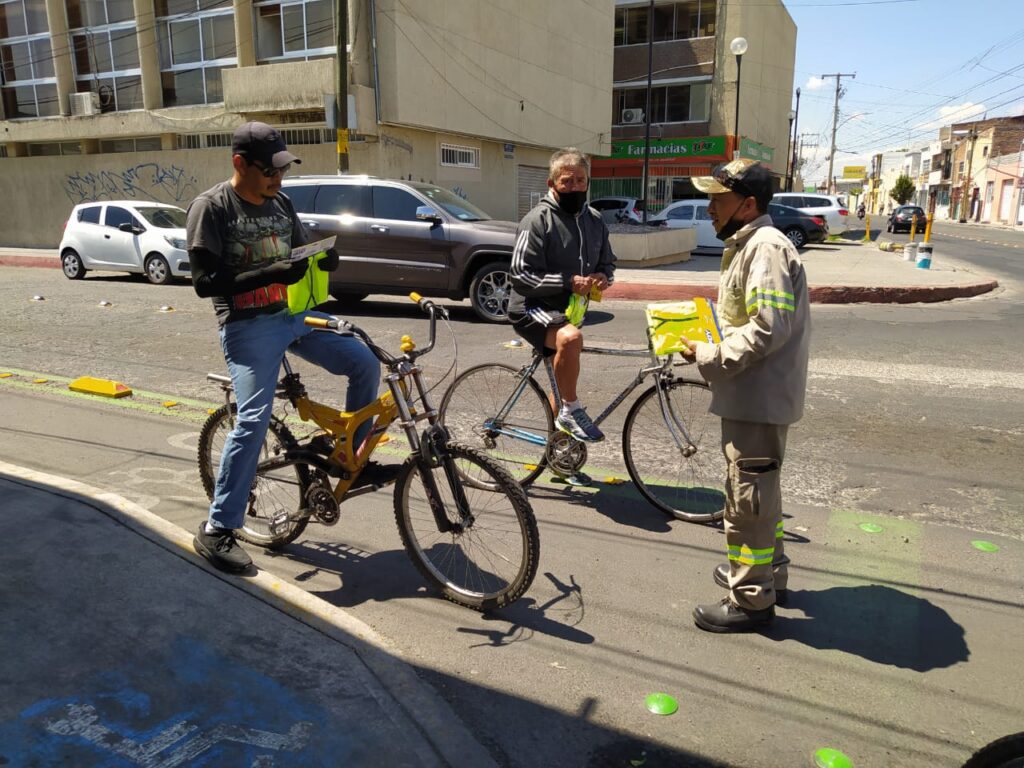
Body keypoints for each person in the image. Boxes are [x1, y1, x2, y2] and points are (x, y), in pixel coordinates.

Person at [187, 121, 389, 573]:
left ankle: (350, 458)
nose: (278, 178)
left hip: (295, 315)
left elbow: (298, 252)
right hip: (247, 325)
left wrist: (323, 257)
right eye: (270, 170)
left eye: (282, 169)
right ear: (240, 164)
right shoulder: (211, 207)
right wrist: (270, 273)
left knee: (363, 362)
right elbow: (204, 282)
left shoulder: (281, 203)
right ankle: (217, 528)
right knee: (253, 420)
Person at [680, 158, 810, 633]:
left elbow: (767, 328)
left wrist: (709, 353)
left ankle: (752, 598)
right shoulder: (750, 244)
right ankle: (768, 574)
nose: (709, 208)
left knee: (748, 502)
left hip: (758, 398)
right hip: (753, 395)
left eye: (718, 199)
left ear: (748, 204)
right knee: (761, 494)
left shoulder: (765, 248)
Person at [508, 147, 616, 443]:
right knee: (570, 340)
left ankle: (556, 450)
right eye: (566, 181)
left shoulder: (595, 220)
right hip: (532, 307)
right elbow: (519, 275)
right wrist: (568, 282)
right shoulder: (537, 220)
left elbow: (608, 263)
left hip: (569, 311)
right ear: (552, 183)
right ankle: (571, 409)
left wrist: (602, 276)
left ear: (588, 182)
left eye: (580, 181)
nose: (574, 187)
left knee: (562, 379)